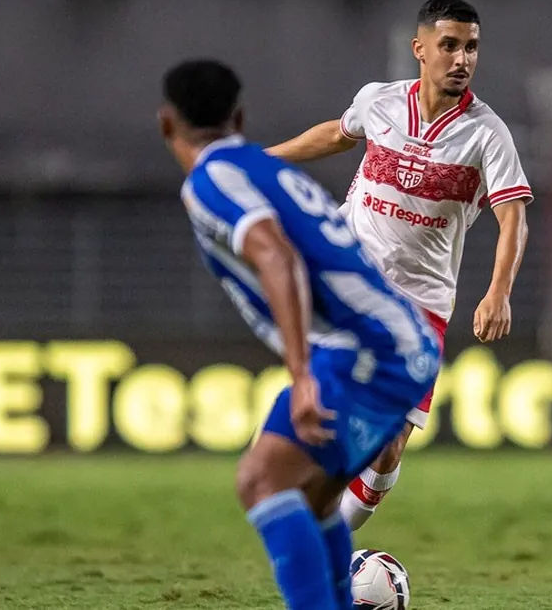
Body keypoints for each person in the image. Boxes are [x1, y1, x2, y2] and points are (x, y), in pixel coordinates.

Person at [159, 59, 440, 609]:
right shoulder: (262, 168)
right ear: (240, 117)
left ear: (167, 123)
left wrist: (301, 372)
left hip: (365, 351)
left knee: (260, 482)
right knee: (314, 500)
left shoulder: (211, 180)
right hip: (400, 341)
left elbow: (276, 256)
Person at [267, 0, 532, 530]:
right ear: (420, 49)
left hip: (421, 304)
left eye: (471, 48)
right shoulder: (379, 101)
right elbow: (337, 134)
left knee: (387, 448)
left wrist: (498, 291)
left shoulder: (487, 133)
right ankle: (314, 541)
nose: (461, 59)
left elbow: (514, 220)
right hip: (351, 280)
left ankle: (325, 532)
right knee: (323, 407)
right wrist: (261, 160)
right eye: (449, 45)